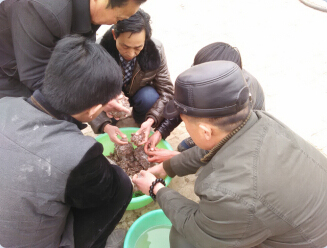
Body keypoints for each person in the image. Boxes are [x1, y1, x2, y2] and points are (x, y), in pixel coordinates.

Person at [133, 61, 327, 248]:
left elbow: (198, 231)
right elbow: (211, 147)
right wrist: (168, 167)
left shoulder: (230, 192)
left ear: (205, 131)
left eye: (184, 122)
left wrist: (156, 189)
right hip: (304, 218)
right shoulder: (258, 121)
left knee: (183, 239)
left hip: (309, 241)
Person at [0, 35, 132, 248]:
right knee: (120, 183)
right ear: (93, 110)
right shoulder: (79, 155)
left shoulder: (5, 104)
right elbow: (101, 193)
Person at [0, 0, 146, 99]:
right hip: (10, 73)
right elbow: (36, 76)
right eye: (119, 17)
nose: (115, 23)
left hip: (41, 68)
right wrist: (91, 99)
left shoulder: (93, 11)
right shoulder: (41, 9)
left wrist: (101, 96)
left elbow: (79, 58)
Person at [145, 42, 265, 161]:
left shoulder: (238, 101)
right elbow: (183, 104)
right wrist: (160, 132)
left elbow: (226, 145)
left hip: (240, 140)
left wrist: (175, 157)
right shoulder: (200, 78)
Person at [89, 9, 174, 145]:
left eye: (138, 48)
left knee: (149, 97)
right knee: (102, 105)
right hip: (109, 100)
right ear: (114, 35)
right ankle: (113, 122)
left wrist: (151, 119)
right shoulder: (97, 52)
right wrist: (105, 125)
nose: (131, 53)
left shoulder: (156, 50)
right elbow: (86, 94)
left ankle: (140, 122)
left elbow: (167, 91)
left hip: (139, 93)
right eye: (125, 46)